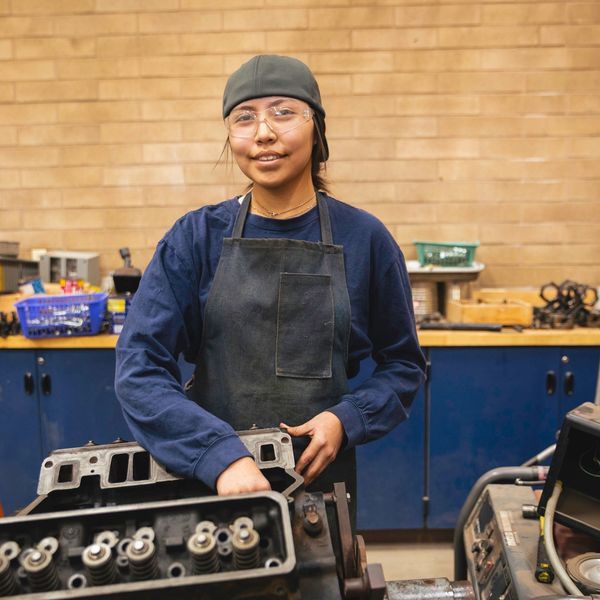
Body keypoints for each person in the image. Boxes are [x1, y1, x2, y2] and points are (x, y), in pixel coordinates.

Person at [115, 55, 426, 515]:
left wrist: (347, 419)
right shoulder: (196, 238)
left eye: (282, 112)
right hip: (212, 483)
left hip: (319, 485)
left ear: (316, 127)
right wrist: (220, 456)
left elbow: (403, 364)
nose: (263, 132)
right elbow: (138, 366)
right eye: (245, 117)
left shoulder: (366, 240)